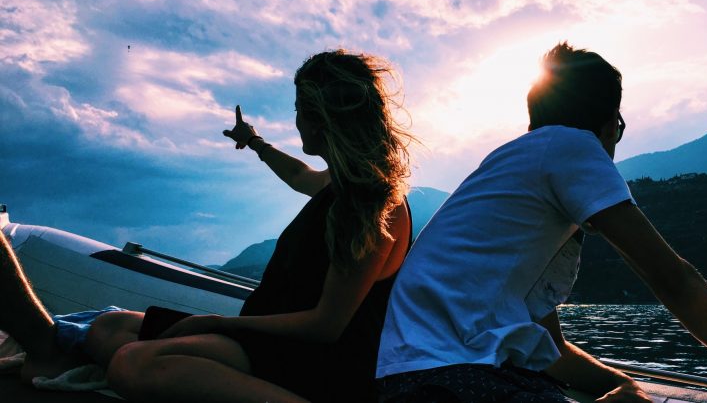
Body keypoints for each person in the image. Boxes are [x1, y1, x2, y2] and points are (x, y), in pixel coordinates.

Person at [376, 42, 707, 402]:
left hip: (408, 383)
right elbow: (673, 279)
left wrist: (622, 384)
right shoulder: (572, 145)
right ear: (609, 125)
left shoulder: (514, 180)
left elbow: (552, 349)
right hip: (453, 380)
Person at [0, 49, 414, 403]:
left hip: (312, 362)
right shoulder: (338, 185)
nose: (297, 122)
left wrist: (217, 322)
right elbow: (298, 175)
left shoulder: (370, 205)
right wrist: (254, 142)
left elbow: (326, 326)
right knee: (108, 328)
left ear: (320, 117)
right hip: (267, 338)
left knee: (132, 364)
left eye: (298, 110)